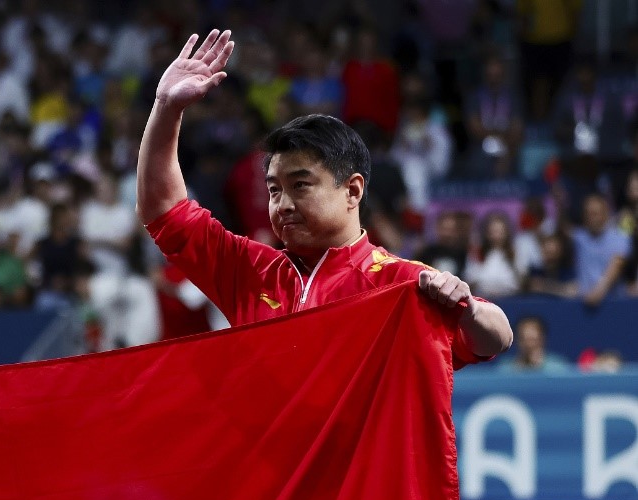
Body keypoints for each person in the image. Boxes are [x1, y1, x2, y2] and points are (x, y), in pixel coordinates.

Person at [136, 29, 512, 366]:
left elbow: (495, 336)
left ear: (352, 191)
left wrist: (467, 308)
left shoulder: (399, 284)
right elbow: (163, 211)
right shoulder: (250, 273)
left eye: (300, 186)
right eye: (273, 190)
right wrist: (167, 109)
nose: (282, 204)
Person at [498, 315, 571, 373]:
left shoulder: (559, 368)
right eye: (524, 339)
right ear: (517, 340)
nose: (529, 345)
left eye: (533, 339)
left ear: (542, 339)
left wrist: (538, 367)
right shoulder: (504, 368)